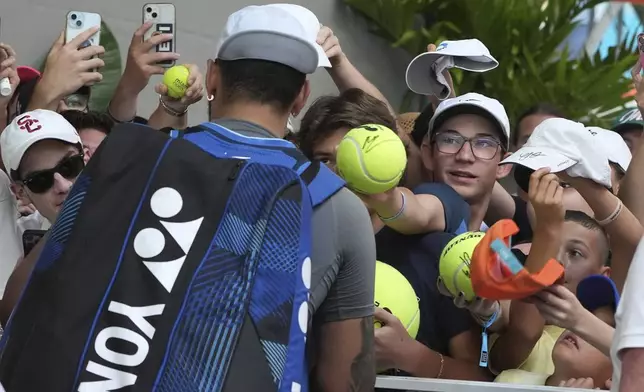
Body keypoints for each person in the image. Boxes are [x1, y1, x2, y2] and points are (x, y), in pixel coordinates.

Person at [202, 4, 376, 389]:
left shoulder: (128, 161)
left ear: (212, 77)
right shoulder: (337, 204)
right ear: (302, 96)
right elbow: (345, 379)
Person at [0, 109, 84, 301]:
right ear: (21, 192)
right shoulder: (19, 257)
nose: (63, 185)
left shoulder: (132, 214)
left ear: (86, 158)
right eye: (40, 180)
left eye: (69, 166)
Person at [495, 275, 617, 389]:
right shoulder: (511, 381)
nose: (579, 330)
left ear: (614, 375)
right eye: (583, 312)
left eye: (596, 328)